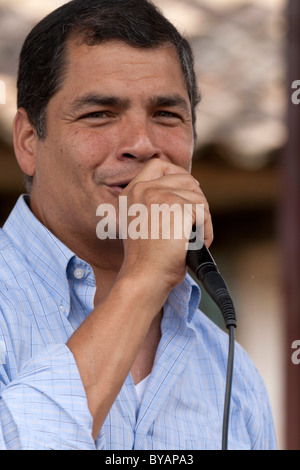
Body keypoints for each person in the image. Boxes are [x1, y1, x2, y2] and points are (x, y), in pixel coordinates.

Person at [0, 0, 276, 450]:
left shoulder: (231, 371)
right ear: (29, 141)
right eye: (99, 114)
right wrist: (143, 280)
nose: (142, 145)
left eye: (166, 115)